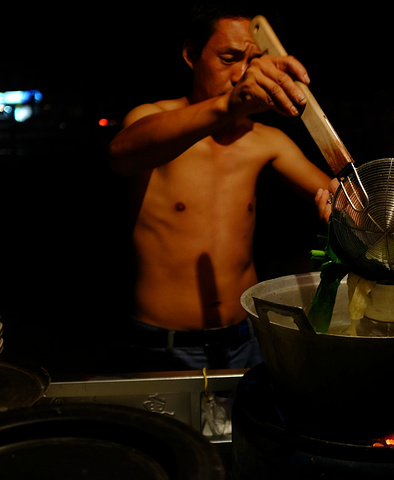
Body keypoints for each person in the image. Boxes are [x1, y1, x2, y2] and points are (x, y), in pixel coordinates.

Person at [108, 3, 336, 371]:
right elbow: (121, 154)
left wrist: (344, 215)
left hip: (246, 337)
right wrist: (228, 105)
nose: (242, 74)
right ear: (191, 55)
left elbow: (343, 201)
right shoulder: (153, 119)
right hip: (162, 344)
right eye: (228, 58)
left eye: (254, 62)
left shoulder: (266, 140)